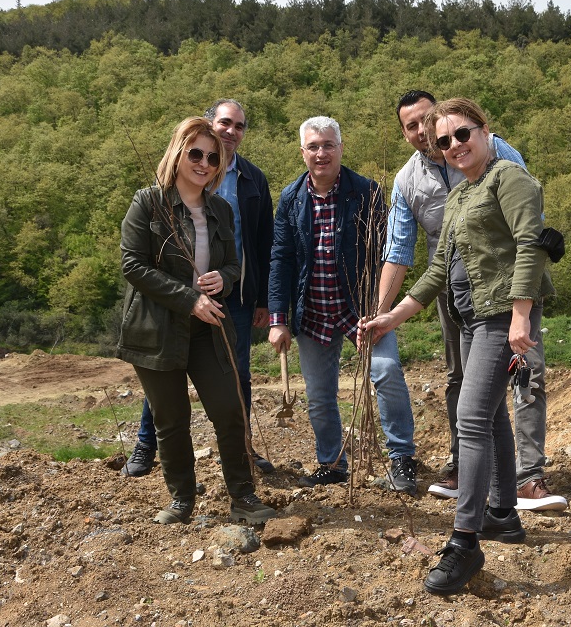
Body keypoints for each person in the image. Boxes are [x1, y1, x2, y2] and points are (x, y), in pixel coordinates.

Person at [361, 97, 556, 594]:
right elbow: (435, 269)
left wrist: (519, 316)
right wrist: (392, 317)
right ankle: (502, 514)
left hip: (501, 315)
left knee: (469, 421)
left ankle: (464, 542)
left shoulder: (509, 178)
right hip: (471, 319)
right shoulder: (463, 196)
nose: (453, 146)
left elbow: (531, 245)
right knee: (488, 418)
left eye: (462, 134)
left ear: (485, 131)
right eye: (443, 141)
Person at [116, 116, 276, 526]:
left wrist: (224, 276)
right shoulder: (148, 202)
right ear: (178, 153)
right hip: (158, 329)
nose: (204, 162)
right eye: (195, 154)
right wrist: (189, 298)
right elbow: (132, 265)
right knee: (171, 421)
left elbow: (233, 263)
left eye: (212, 156)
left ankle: (242, 496)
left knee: (229, 411)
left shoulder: (220, 208)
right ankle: (182, 499)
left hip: (210, 328)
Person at [268, 116, 419, 494]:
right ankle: (332, 464)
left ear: (340, 147)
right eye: (314, 147)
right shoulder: (291, 197)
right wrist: (278, 318)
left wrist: (382, 306)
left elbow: (388, 252)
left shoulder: (366, 191)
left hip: (361, 308)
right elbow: (281, 258)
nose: (321, 153)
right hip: (313, 309)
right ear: (302, 152)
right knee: (320, 396)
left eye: (328, 145)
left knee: (386, 372)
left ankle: (401, 459)